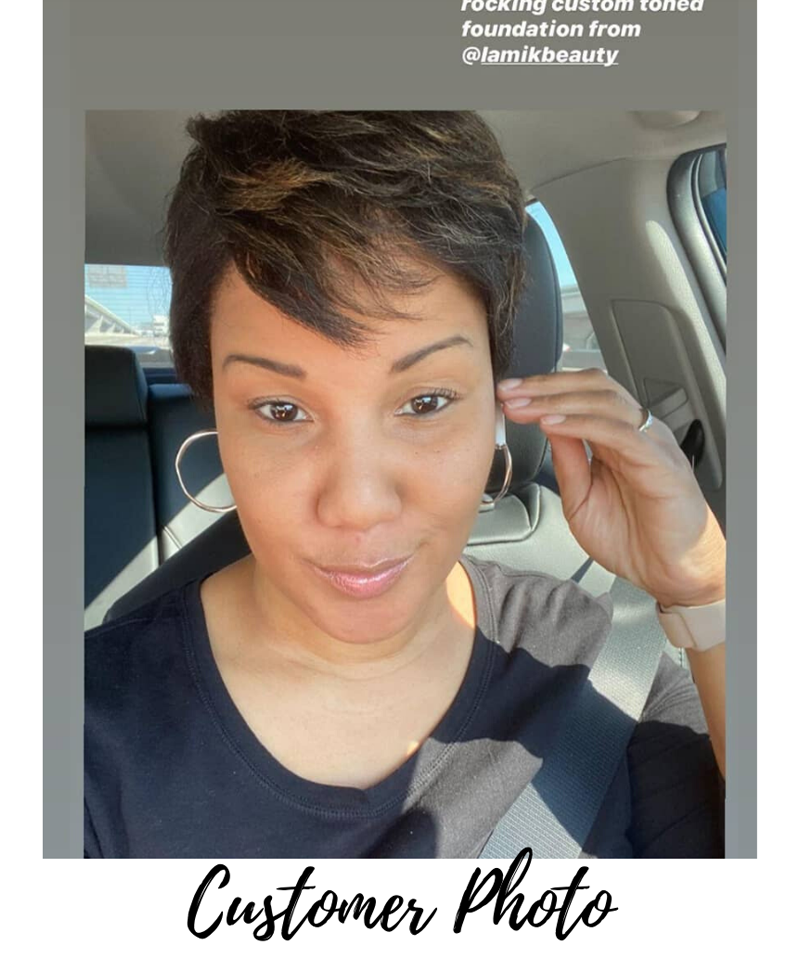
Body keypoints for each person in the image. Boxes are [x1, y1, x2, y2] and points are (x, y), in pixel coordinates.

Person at [84, 111, 726, 859]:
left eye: (425, 402)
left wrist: (707, 590)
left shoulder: (609, 669)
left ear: (499, 398)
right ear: (218, 416)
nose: (358, 505)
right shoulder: (79, 732)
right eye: (282, 410)